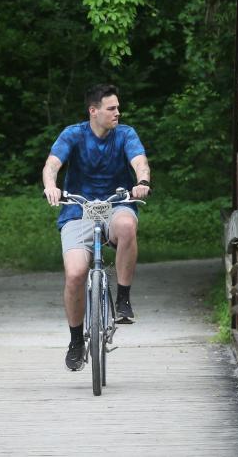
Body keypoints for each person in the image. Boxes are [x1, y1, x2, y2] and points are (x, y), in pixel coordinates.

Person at [42, 83, 151, 371]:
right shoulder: (73, 134)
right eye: (111, 108)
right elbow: (52, 165)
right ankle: (76, 340)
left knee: (127, 225)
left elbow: (140, 162)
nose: (118, 112)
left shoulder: (125, 134)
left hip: (116, 205)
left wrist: (142, 183)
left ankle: (124, 299)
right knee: (76, 273)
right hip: (77, 210)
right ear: (94, 111)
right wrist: (51, 187)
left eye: (118, 107)